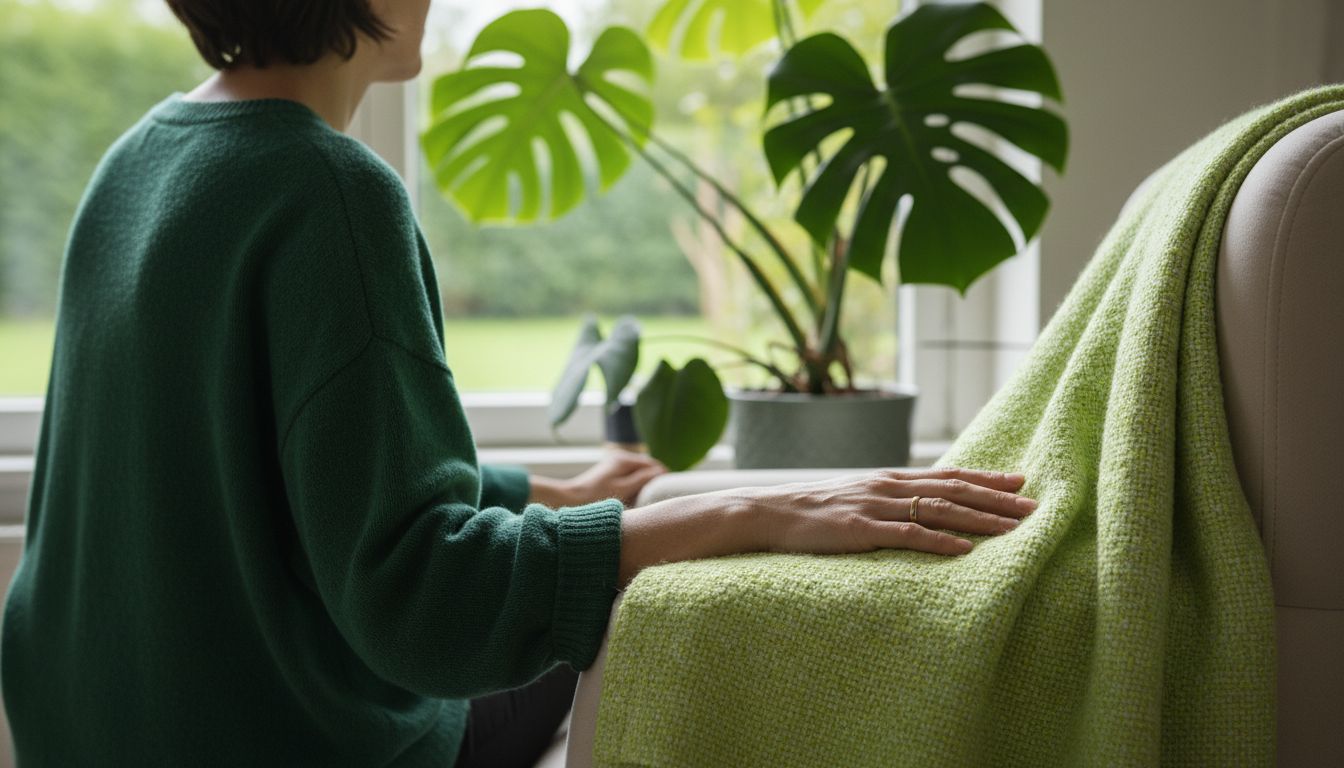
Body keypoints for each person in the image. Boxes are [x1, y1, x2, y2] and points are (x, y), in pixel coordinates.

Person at [0, 1, 1037, 766]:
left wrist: (552, 494)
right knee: (664, 599)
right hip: (283, 740)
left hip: (84, 731)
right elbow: (430, 605)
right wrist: (764, 507)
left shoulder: (137, 161)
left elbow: (295, 471)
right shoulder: (328, 190)